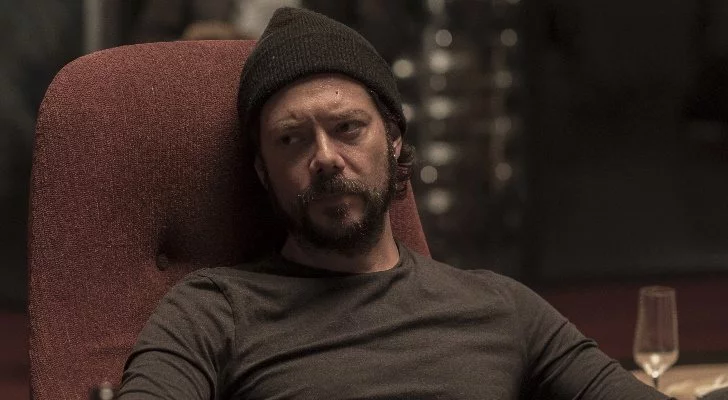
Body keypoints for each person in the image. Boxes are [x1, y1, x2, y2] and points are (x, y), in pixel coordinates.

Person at [116, 7, 671, 399]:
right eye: (292, 139)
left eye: (347, 128)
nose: (325, 158)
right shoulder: (214, 310)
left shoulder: (499, 306)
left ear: (394, 140)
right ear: (263, 171)